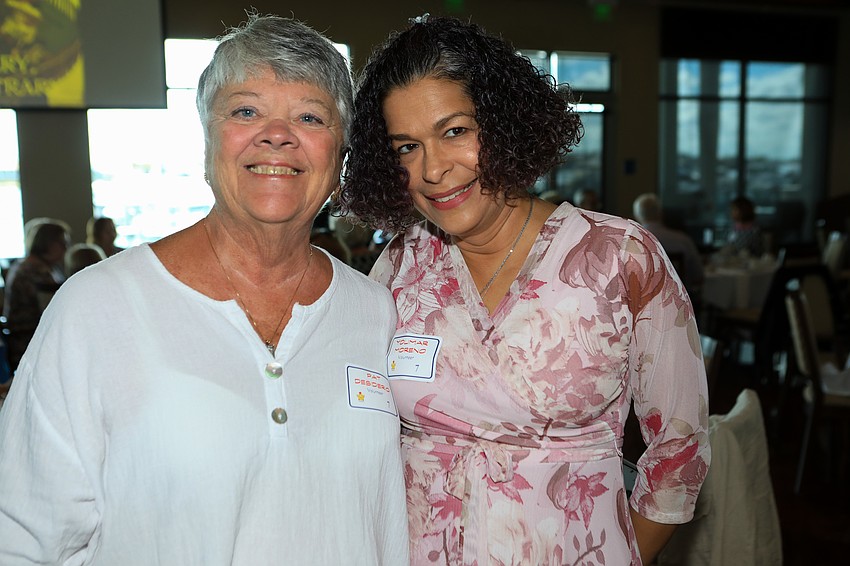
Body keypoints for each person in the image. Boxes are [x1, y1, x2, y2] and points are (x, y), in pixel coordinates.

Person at [0, 14, 408, 565]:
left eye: (310, 117)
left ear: (340, 157)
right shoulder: (98, 308)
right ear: (208, 141)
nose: (277, 134)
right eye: (246, 111)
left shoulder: (375, 311)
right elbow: (22, 537)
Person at [340, 15, 710, 566]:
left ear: (504, 122)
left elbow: (679, 454)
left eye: (455, 131)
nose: (433, 169)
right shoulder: (401, 266)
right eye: (407, 147)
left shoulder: (619, 258)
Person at [1, 219, 70, 372]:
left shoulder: (32, 265)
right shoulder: (34, 271)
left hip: (33, 338)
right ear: (48, 244)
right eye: (62, 243)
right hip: (29, 343)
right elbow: (55, 311)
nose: (66, 248)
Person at [632, 193, 704, 296]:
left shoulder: (632, 241)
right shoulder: (683, 240)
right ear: (661, 213)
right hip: (680, 301)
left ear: (637, 215)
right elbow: (698, 276)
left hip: (644, 303)